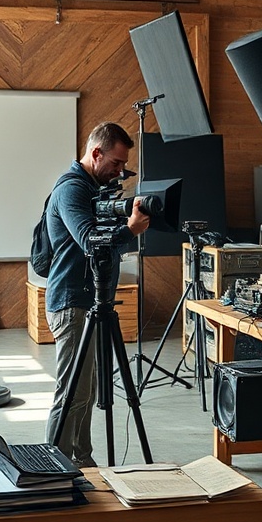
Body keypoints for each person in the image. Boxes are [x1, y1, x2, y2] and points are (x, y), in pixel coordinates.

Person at [44, 122, 150, 467]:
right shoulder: (72, 191)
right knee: (73, 392)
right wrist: (129, 231)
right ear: (95, 153)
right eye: (116, 163)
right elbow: (90, 241)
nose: (120, 172)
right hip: (73, 302)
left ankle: (83, 463)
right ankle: (53, 470)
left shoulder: (94, 189)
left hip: (89, 301)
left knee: (85, 394)